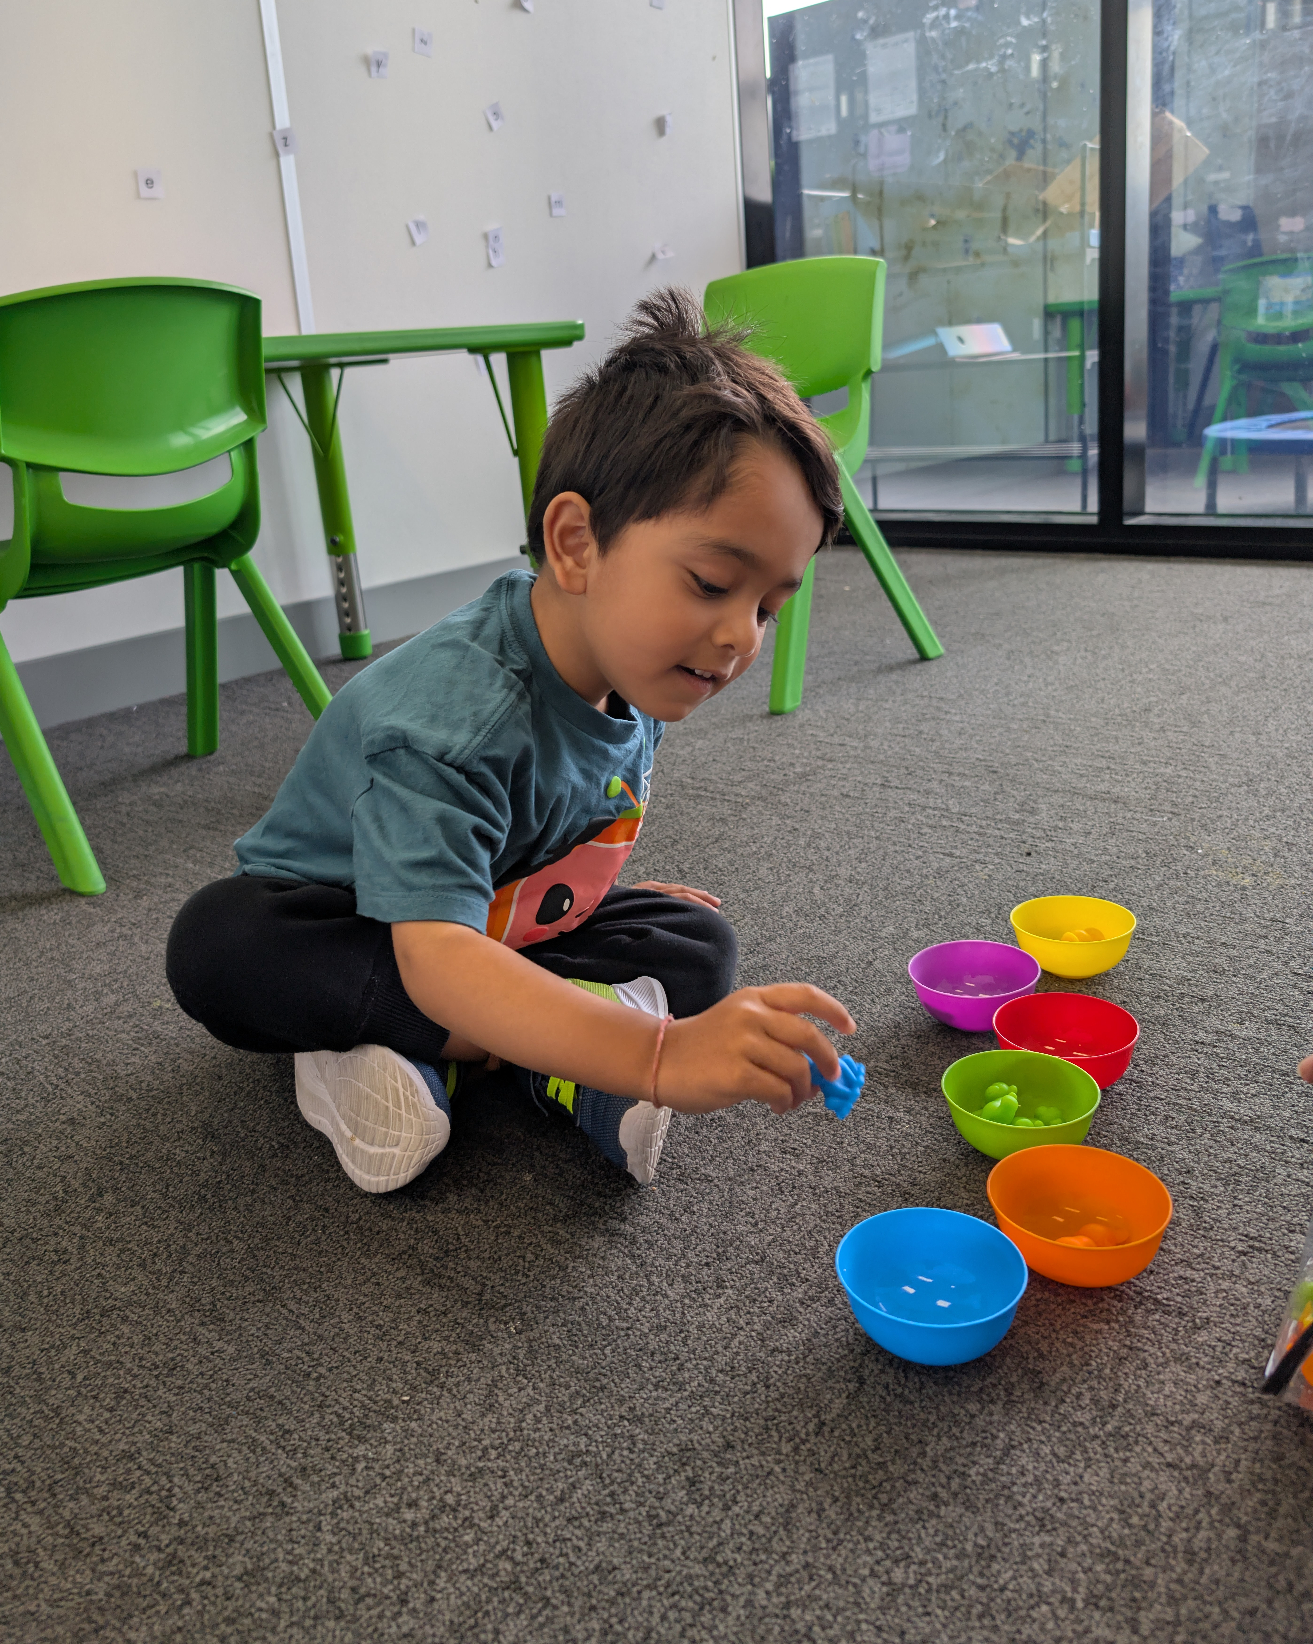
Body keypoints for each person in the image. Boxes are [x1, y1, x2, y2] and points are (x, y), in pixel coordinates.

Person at [166, 289, 856, 1194]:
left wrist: (587, 900)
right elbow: (437, 955)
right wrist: (655, 1057)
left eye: (766, 606)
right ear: (575, 544)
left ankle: (457, 1051)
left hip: (487, 911)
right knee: (220, 945)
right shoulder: (453, 723)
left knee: (694, 941)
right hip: (352, 921)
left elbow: (543, 822)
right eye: (711, 583)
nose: (740, 638)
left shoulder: (636, 660)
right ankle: (493, 1053)